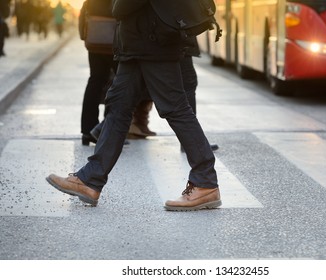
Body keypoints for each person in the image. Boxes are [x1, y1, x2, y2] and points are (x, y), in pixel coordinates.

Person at [46, 0, 221, 211]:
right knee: (118, 108)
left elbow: (122, 7)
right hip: (138, 43)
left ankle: (205, 181)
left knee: (175, 107)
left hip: (153, 42)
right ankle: (90, 179)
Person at [79, 0, 155, 145]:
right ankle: (107, 131)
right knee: (120, 83)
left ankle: (87, 130)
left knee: (95, 80)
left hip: (95, 38)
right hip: (114, 40)